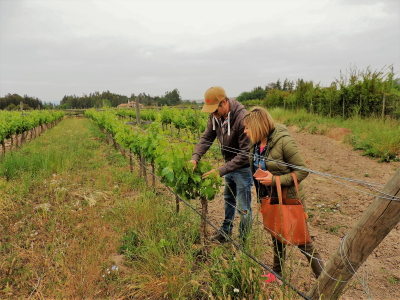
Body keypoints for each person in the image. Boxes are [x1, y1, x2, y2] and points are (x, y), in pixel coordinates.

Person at [242, 107, 323, 280]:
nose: (245, 131)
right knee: (276, 235)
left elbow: (302, 172)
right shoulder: (256, 145)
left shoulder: (284, 141)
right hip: (270, 197)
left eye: (247, 127)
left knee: (302, 241)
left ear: (257, 127)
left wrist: (275, 180)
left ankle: (324, 279)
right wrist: (260, 198)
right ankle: (277, 273)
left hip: (289, 198)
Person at [189, 86, 253, 243]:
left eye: (215, 110)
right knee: (228, 199)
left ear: (224, 102)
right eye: (210, 111)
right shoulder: (215, 117)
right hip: (228, 165)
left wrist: (219, 171)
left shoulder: (242, 118)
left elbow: (246, 154)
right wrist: (195, 158)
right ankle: (225, 233)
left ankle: (244, 243)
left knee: (244, 208)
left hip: (243, 168)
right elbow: (206, 139)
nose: (213, 114)